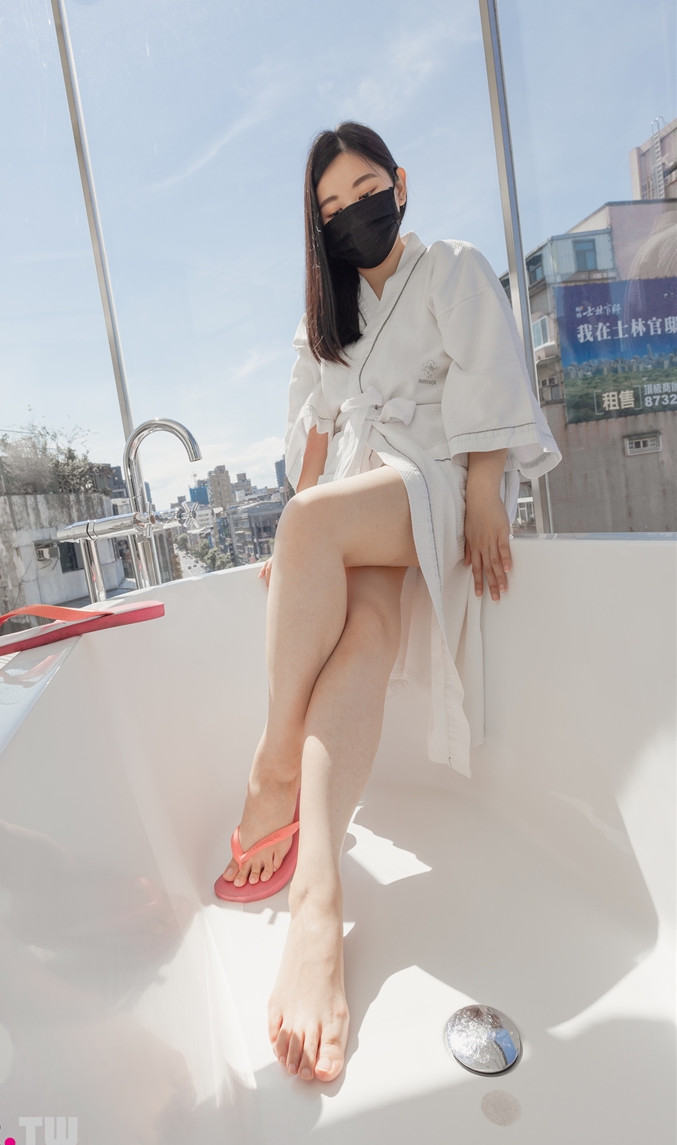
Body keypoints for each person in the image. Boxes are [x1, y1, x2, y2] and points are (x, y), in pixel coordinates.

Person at [213, 122, 561, 1084]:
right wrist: (298, 539)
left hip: (436, 480)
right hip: (367, 493)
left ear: (399, 184)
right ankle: (317, 900)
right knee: (361, 632)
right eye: (330, 207)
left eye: (365, 190)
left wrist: (484, 489)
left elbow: (489, 375)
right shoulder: (326, 321)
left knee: (311, 528)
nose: (352, 213)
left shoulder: (450, 266)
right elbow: (313, 439)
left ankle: (272, 766)